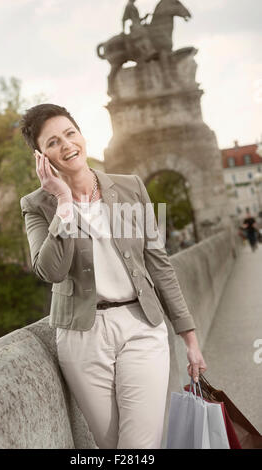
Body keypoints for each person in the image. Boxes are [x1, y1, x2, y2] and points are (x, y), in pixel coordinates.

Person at [19, 103, 207, 449]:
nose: (67, 145)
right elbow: (51, 271)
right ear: (40, 157)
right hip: (81, 335)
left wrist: (189, 337)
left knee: (139, 445)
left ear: (83, 135)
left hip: (140, 325)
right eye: (53, 142)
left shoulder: (131, 188)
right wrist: (63, 203)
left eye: (70, 134)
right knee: (111, 447)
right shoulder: (36, 205)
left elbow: (158, 262)